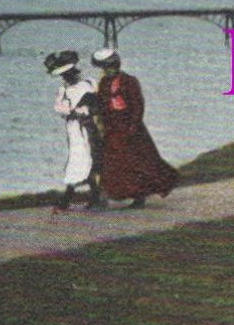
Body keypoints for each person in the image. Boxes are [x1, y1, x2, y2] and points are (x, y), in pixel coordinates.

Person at [91, 48, 179, 208]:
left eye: (110, 68)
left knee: (137, 161)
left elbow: (138, 105)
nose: (108, 71)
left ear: (116, 66)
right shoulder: (104, 83)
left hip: (129, 125)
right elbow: (102, 106)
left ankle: (139, 195)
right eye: (105, 68)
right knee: (114, 162)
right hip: (113, 127)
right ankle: (113, 193)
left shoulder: (129, 81)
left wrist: (133, 126)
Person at [46, 50, 104, 210]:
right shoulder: (65, 90)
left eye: (69, 74)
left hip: (87, 126)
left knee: (84, 158)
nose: (67, 77)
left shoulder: (87, 85)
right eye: (65, 75)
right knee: (82, 158)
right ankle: (94, 195)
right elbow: (61, 109)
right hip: (74, 129)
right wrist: (76, 106)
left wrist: (83, 106)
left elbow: (97, 105)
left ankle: (69, 198)